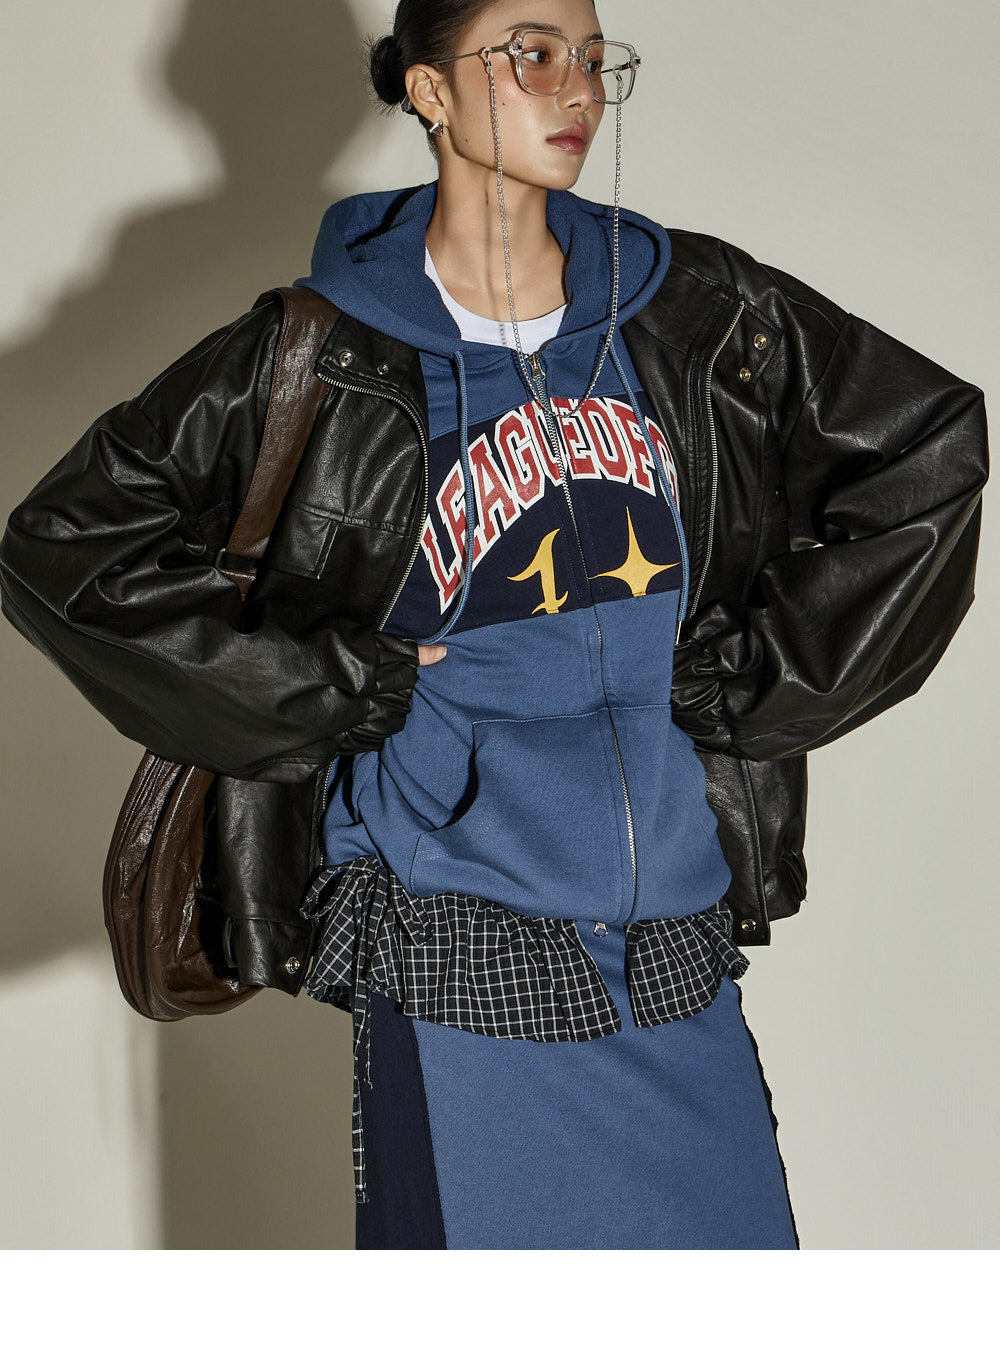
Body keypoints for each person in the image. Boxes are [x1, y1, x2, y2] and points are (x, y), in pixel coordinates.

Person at [0, 0, 988, 1250]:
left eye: (593, 59)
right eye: (531, 53)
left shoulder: (696, 310)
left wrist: (762, 678)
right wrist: (332, 686)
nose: (575, 88)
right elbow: (60, 549)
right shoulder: (321, 350)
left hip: (673, 929)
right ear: (428, 89)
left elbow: (928, 444)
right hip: (453, 929)